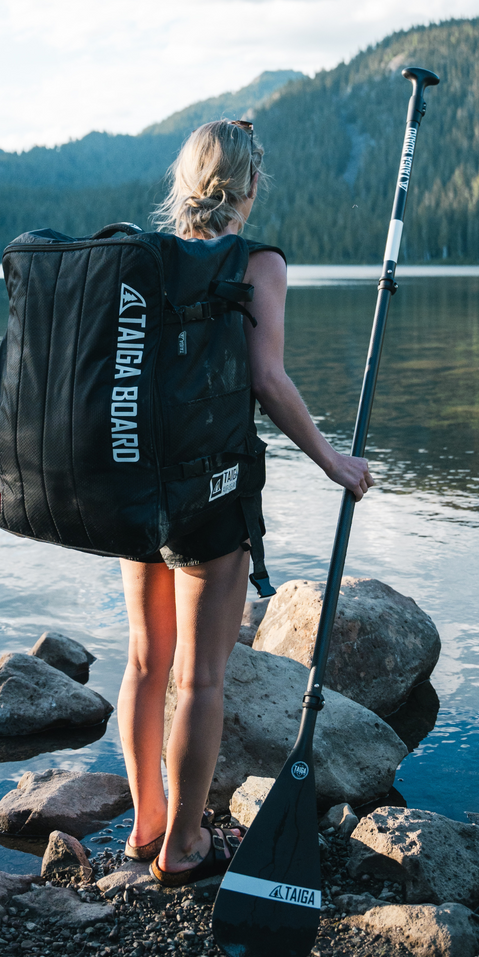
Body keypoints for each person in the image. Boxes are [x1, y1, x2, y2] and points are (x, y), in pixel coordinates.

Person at [116, 119, 374, 886]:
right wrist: (334, 461)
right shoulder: (256, 262)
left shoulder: (146, 257)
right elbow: (267, 379)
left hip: (138, 488)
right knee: (199, 677)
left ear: (188, 181)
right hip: (212, 495)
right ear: (250, 186)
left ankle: (145, 824)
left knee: (143, 660)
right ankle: (186, 848)